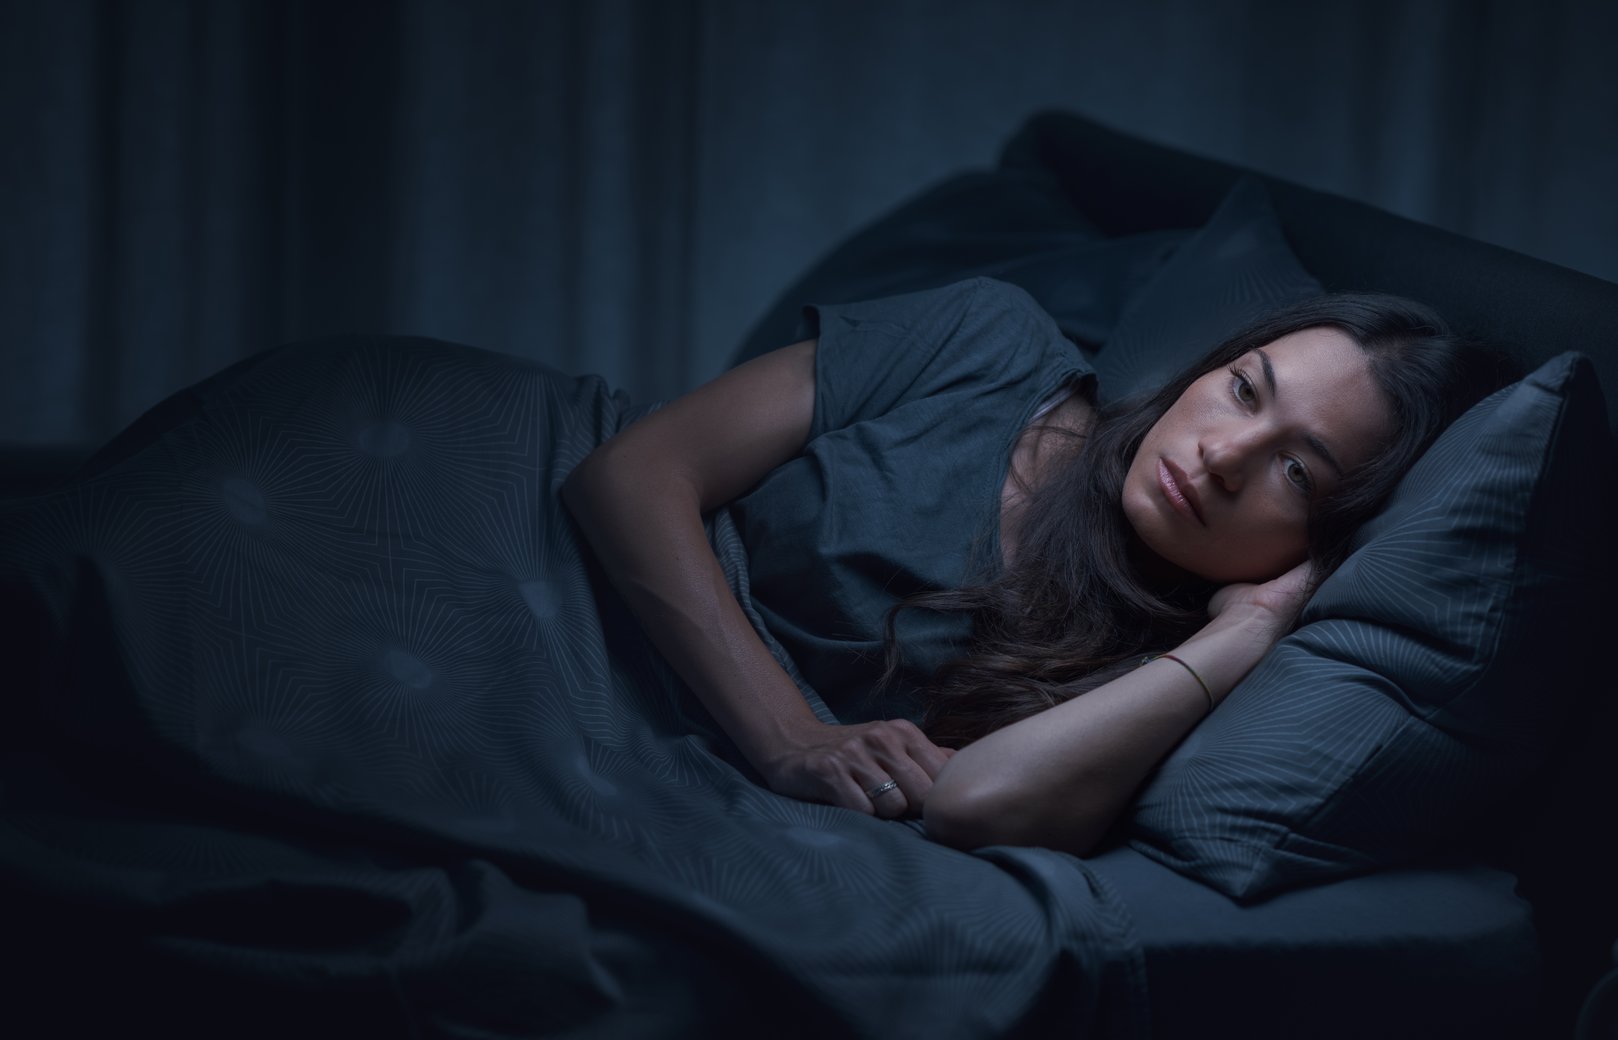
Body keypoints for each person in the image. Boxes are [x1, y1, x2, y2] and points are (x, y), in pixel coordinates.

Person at [560, 277, 1508, 859]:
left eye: (1297, 472)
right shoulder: (985, 340)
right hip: (538, 532)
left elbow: (978, 803)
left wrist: (1248, 631)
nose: (1225, 454)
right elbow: (631, 471)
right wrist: (789, 735)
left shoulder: (1158, 671)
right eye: (1242, 389)